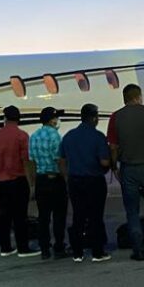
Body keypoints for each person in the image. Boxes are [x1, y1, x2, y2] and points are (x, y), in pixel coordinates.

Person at [107, 84, 144, 260]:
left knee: (132, 211)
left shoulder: (116, 116)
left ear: (124, 98)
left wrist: (114, 167)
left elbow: (113, 146)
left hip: (129, 169)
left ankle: (139, 249)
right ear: (139, 97)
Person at [59, 103, 111, 263]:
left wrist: (67, 177)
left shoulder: (69, 136)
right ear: (94, 118)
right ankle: (97, 252)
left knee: (78, 216)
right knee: (95, 216)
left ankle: (77, 252)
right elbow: (104, 162)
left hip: (75, 181)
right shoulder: (98, 137)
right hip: (94, 181)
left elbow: (61, 160)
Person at [0, 106, 40, 258]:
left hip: (3, 180)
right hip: (18, 180)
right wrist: (31, 183)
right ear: (19, 118)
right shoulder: (21, 135)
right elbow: (27, 161)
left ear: (4, 118)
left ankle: (5, 247)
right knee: (20, 216)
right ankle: (22, 247)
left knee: (4, 215)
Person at [28, 106, 68, 259]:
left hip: (41, 180)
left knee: (43, 217)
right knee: (59, 215)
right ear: (51, 120)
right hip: (55, 179)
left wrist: (32, 183)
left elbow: (31, 161)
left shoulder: (34, 136)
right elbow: (59, 160)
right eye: (56, 117)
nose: (57, 120)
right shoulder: (55, 136)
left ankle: (44, 248)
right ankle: (59, 246)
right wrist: (66, 178)